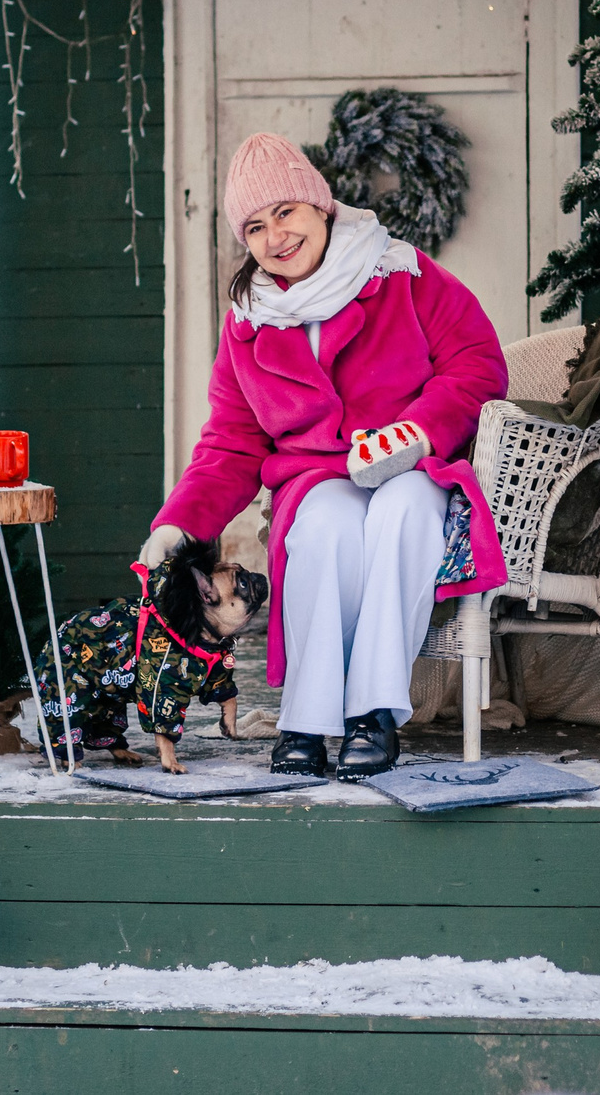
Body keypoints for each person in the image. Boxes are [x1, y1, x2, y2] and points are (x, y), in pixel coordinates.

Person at [141, 132, 508, 779]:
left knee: (401, 511)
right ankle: (307, 720)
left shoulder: (403, 275)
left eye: (285, 212)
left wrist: (418, 432)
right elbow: (231, 440)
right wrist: (180, 522)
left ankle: (374, 713)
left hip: (410, 464)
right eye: (255, 226)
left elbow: (477, 364)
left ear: (321, 207)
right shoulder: (248, 324)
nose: (275, 236)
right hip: (317, 478)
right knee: (323, 525)